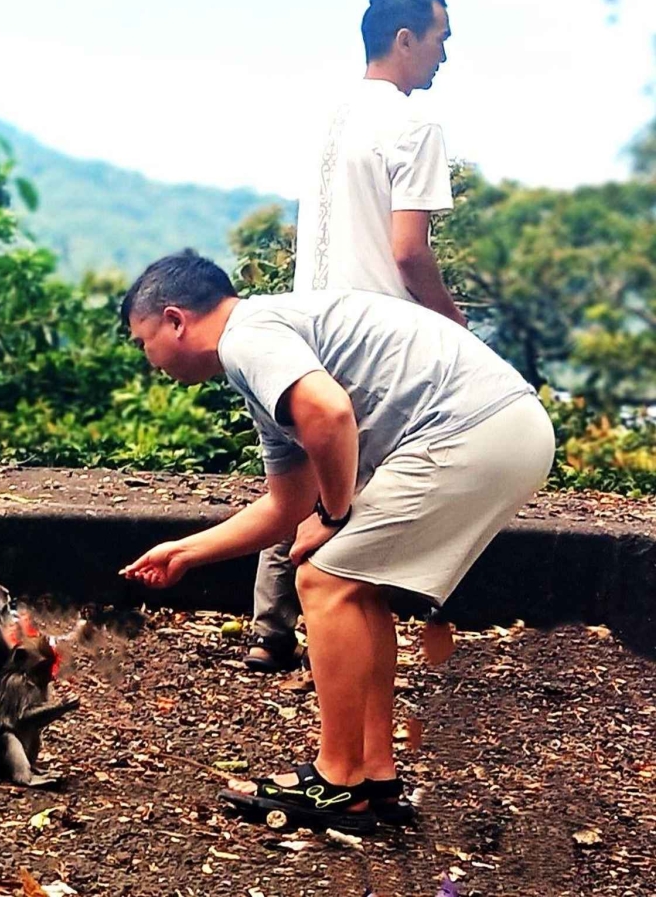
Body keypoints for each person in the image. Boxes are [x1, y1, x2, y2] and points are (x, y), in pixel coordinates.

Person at [119, 252, 552, 830]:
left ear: (175, 320)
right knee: (355, 587)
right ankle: (373, 775)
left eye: (143, 341)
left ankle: (337, 780)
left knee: (324, 580)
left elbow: (329, 412)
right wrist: (186, 551)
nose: (148, 359)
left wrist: (334, 511)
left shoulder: (248, 335)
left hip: (469, 429)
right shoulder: (268, 353)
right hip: (505, 428)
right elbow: (286, 505)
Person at [248, 0, 464, 674]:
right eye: (440, 38)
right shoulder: (414, 125)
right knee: (364, 486)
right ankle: (345, 626)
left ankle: (269, 629)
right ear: (405, 39)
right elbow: (408, 252)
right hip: (373, 329)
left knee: (303, 469)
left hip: (304, 319)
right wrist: (452, 322)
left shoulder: (328, 115)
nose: (444, 55)